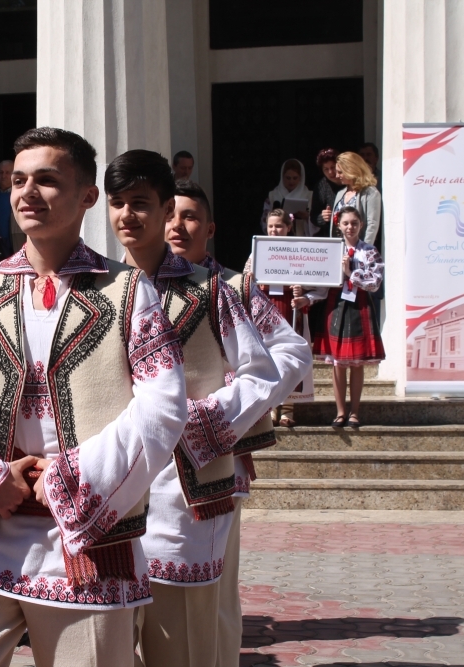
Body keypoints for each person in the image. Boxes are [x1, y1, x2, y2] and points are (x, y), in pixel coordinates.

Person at [0, 127, 190, 666]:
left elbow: (163, 403)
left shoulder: (129, 292)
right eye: (19, 180)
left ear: (87, 196)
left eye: (47, 180)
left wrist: (69, 478)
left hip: (87, 537)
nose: (28, 192)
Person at [104, 153, 303, 667]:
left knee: (195, 627)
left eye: (144, 204)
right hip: (108, 478)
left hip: (187, 478)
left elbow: (283, 358)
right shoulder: (97, 290)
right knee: (111, 633)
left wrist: (209, 418)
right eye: (118, 203)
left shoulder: (216, 289)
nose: (131, 215)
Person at [171, 182, 312, 667]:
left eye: (189, 216)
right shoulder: (132, 286)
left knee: (214, 598)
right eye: (169, 213)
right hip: (141, 467)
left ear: (209, 229)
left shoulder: (230, 287)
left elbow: (291, 351)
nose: (176, 225)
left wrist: (228, 410)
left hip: (213, 461)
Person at [242, 210, 327, 427]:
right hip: (264, 313)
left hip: (290, 312)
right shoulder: (257, 253)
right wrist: (250, 281)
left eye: (278, 226)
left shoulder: (299, 253)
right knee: (268, 358)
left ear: (288, 228)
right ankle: (271, 407)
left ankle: (288, 408)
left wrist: (304, 295)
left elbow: (321, 286)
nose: (274, 231)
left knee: (290, 357)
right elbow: (243, 284)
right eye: (270, 227)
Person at [314, 206, 385, 428]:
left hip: (360, 305)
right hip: (337, 304)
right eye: (346, 223)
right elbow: (321, 278)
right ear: (338, 225)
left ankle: (355, 412)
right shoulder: (332, 249)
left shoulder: (370, 251)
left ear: (361, 225)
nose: (350, 227)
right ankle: (340, 412)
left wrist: (350, 273)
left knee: (357, 363)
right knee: (338, 363)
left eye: (354, 223)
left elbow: (375, 282)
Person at [332, 152, 382, 246]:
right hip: (339, 249)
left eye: (340, 172)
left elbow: (372, 225)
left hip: (359, 250)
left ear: (351, 170)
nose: (337, 176)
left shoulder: (370, 193)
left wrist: (365, 250)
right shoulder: (340, 194)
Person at [0, 159, 25, 257]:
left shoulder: (23, 194)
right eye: (1, 172)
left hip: (16, 244)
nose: (3, 176)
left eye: (7, 172)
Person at [262, 158, 312, 235]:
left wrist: (307, 217)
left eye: (295, 178)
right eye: (288, 178)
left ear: (301, 178)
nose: (291, 181)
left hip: (301, 239)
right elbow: (265, 220)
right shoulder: (273, 195)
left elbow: (317, 222)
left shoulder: (309, 196)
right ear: (282, 177)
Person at [310, 148, 343, 238]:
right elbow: (314, 216)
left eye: (333, 167)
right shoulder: (321, 186)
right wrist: (323, 217)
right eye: (326, 169)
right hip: (330, 235)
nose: (330, 172)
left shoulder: (348, 182)